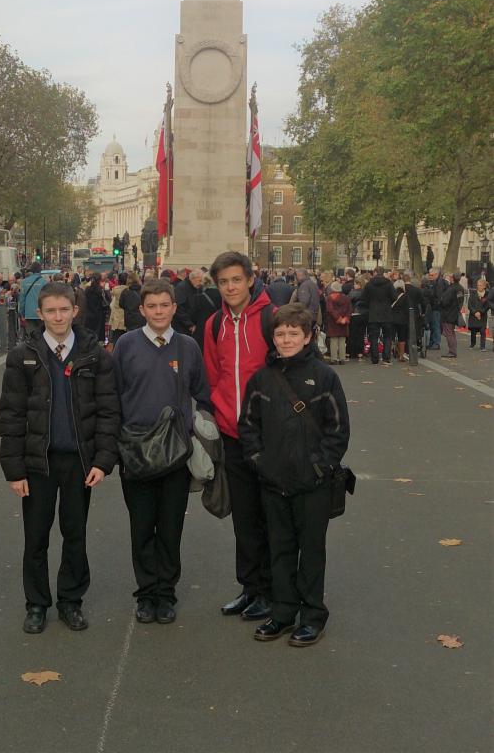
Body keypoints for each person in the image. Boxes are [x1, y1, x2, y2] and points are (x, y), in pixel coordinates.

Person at [0, 282, 121, 635]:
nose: (58, 317)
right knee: (36, 537)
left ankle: (71, 600)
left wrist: (102, 460)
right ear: (41, 313)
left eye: (63, 310)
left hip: (78, 460)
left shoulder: (95, 355)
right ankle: (37, 603)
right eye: (50, 311)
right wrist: (13, 469)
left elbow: (108, 411)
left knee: (75, 533)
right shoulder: (23, 355)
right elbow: (11, 414)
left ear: (74, 311)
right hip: (38, 461)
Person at [239, 304, 349, 647]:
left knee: (311, 551)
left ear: (307, 336)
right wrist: (259, 461)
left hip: (313, 482)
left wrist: (321, 466)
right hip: (273, 480)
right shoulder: (261, 378)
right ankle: (283, 612)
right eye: (280, 333)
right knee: (280, 549)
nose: (286, 339)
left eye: (293, 334)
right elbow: (248, 425)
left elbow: (338, 428)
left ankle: (312, 614)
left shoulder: (324, 375)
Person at [113, 278, 212, 624]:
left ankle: (165, 593)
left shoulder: (188, 347)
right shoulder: (125, 345)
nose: (158, 311)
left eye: (164, 305)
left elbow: (203, 393)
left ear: (174, 307)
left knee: (170, 528)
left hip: (175, 452)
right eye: (151, 306)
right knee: (141, 528)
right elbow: (114, 397)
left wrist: (202, 433)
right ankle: (146, 593)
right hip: (136, 451)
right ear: (141, 310)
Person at [203, 251, 273, 621]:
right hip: (232, 433)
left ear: (249, 280)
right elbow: (214, 376)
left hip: (268, 436)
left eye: (235, 280)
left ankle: (272, 589)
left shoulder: (271, 319)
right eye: (223, 282)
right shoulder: (214, 324)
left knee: (270, 516)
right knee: (243, 517)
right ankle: (250, 587)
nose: (230, 287)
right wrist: (221, 411)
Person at [361, 267, 397, 365]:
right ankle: (386, 357)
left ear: (375, 273)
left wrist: (370, 303)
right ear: (383, 273)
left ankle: (375, 358)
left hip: (373, 313)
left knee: (373, 337)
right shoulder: (389, 284)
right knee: (387, 336)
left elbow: (363, 297)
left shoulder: (369, 284)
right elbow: (395, 297)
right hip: (386, 313)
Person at [440, 272, 465, 359]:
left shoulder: (451, 288)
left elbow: (445, 301)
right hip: (455, 312)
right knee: (451, 332)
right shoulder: (460, 288)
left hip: (448, 313)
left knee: (449, 333)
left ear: (452, 279)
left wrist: (441, 301)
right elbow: (460, 301)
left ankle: (452, 351)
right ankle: (453, 350)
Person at [324, 280, 351, 364]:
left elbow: (330, 310)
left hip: (333, 322)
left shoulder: (329, 298)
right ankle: (342, 359)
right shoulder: (346, 298)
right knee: (342, 340)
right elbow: (349, 310)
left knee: (334, 340)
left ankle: (334, 359)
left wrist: (338, 318)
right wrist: (345, 319)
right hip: (344, 322)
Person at [18, 263, 47, 337]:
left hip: (29, 313)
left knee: (31, 336)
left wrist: (22, 313)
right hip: (41, 313)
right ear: (40, 270)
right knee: (42, 335)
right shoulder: (44, 282)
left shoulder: (24, 282)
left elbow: (22, 299)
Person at [173, 268, 203, 337]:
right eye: (200, 280)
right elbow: (179, 308)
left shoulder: (196, 287)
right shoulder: (181, 288)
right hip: (182, 328)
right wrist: (190, 324)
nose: (201, 283)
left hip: (192, 326)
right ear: (193, 278)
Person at [347, 274, 368, 359]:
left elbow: (348, 300)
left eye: (355, 284)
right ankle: (360, 352)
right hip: (364, 315)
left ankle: (351, 352)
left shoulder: (353, 292)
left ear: (358, 284)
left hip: (354, 315)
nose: (354, 285)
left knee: (352, 334)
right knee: (361, 334)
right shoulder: (366, 292)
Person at [84, 274, 109, 342]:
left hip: (89, 313)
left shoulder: (87, 290)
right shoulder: (100, 290)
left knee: (89, 333)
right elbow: (107, 301)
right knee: (98, 334)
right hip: (99, 314)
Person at [107, 271, 127, 351]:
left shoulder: (115, 289)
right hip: (125, 314)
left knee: (116, 336)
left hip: (116, 315)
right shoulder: (127, 289)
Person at [467, 278, 489, 350]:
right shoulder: (473, 294)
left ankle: (482, 346)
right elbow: (469, 305)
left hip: (482, 316)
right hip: (473, 315)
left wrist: (480, 312)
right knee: (473, 331)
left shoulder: (487, 294)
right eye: (477, 285)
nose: (478, 287)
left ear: (484, 286)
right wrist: (475, 312)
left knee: (483, 331)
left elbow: (487, 305)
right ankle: (472, 344)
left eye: (480, 285)